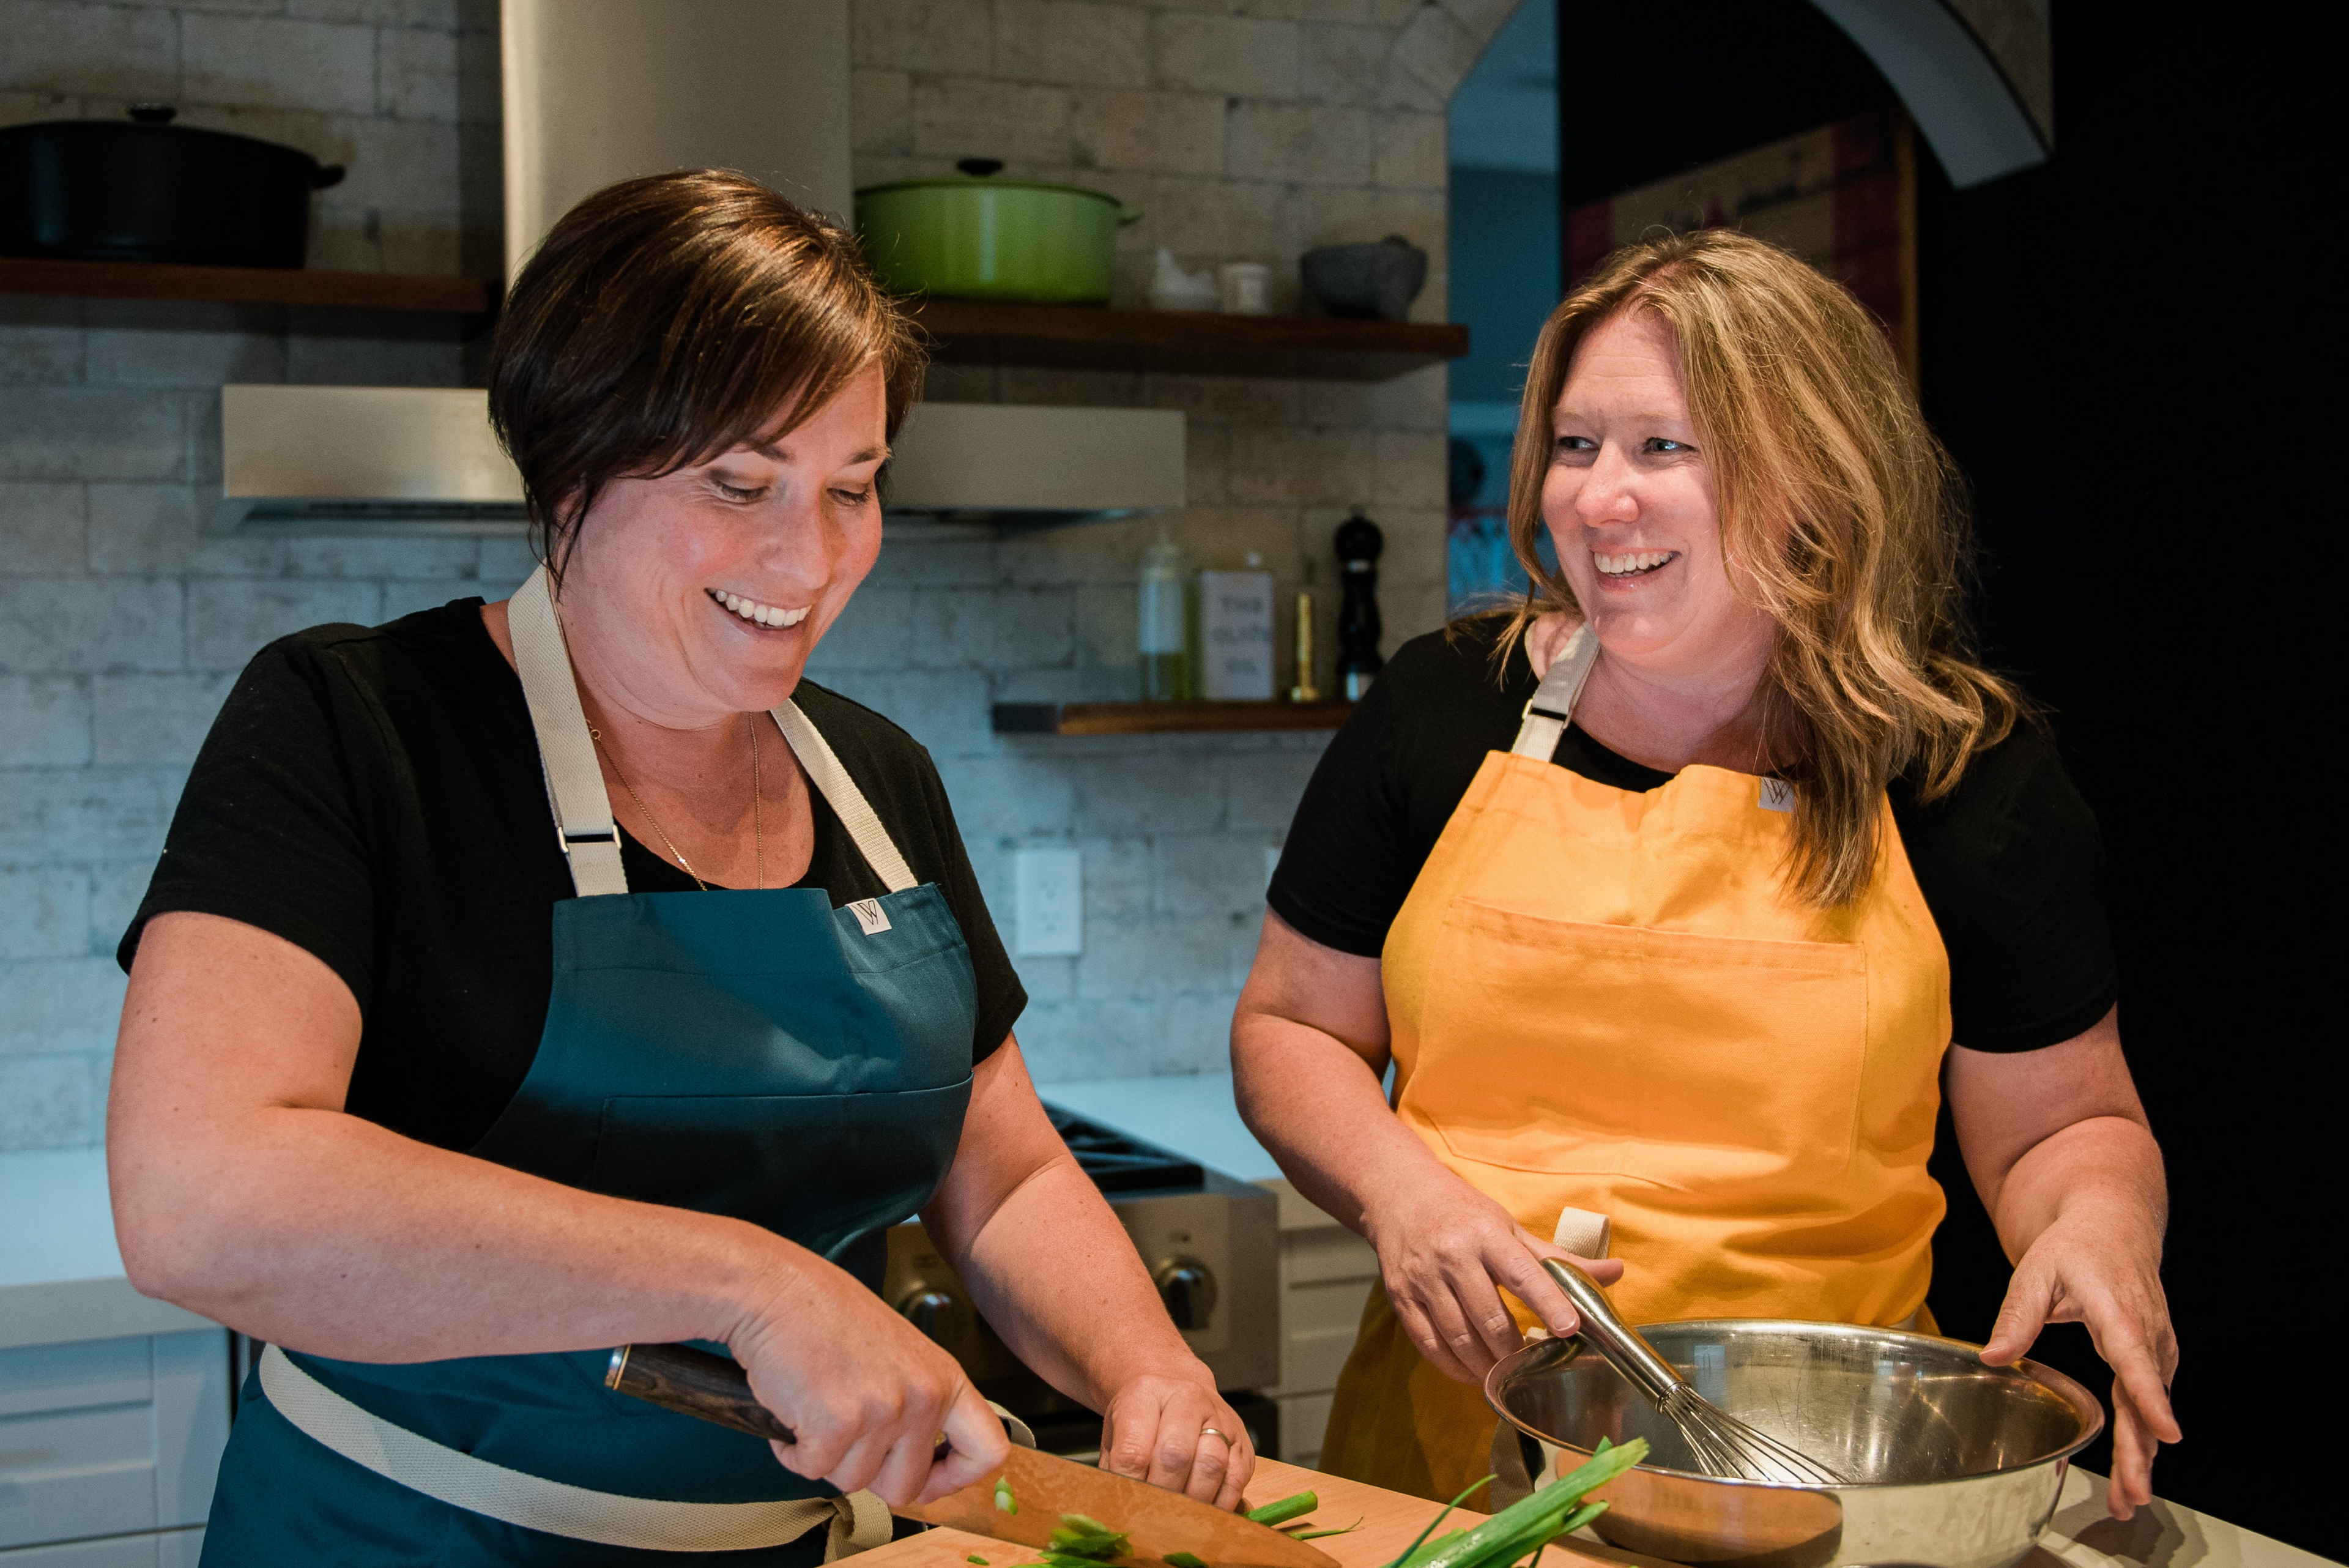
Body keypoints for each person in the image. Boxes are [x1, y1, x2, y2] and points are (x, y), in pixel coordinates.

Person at [107, 171, 1253, 1565]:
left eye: (854, 486)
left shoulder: (877, 780)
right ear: (574, 461)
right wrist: (752, 1288)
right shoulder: (354, 728)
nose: (811, 554)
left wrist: (1146, 1370)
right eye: (739, 481)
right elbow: (201, 1201)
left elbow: (1003, 1179)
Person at [1233, 229, 2177, 1518]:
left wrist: (2094, 1230)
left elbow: (2067, 1126)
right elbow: (1290, 1026)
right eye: (1576, 447)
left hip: (1820, 1468)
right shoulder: (1447, 706)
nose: (1597, 499)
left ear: (1812, 477)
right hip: (1453, 1450)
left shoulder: (1962, 776)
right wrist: (1400, 1192)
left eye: (1661, 449)